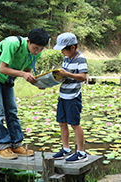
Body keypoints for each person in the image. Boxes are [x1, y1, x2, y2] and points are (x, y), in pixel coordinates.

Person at [0, 28, 49, 160]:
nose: (37, 52)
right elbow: (3, 68)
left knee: (12, 111)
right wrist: (23, 74)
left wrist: (38, 83)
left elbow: (27, 72)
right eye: (35, 48)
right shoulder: (12, 43)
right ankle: (4, 147)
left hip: (7, 78)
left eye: (41, 49)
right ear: (28, 41)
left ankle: (17, 145)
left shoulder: (36, 53)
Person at [52, 32, 88, 163]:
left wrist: (68, 74)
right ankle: (66, 149)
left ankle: (81, 152)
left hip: (73, 96)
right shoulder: (66, 58)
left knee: (74, 124)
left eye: (63, 49)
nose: (62, 52)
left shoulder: (80, 58)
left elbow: (82, 76)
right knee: (62, 122)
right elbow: (64, 76)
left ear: (72, 47)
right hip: (63, 95)